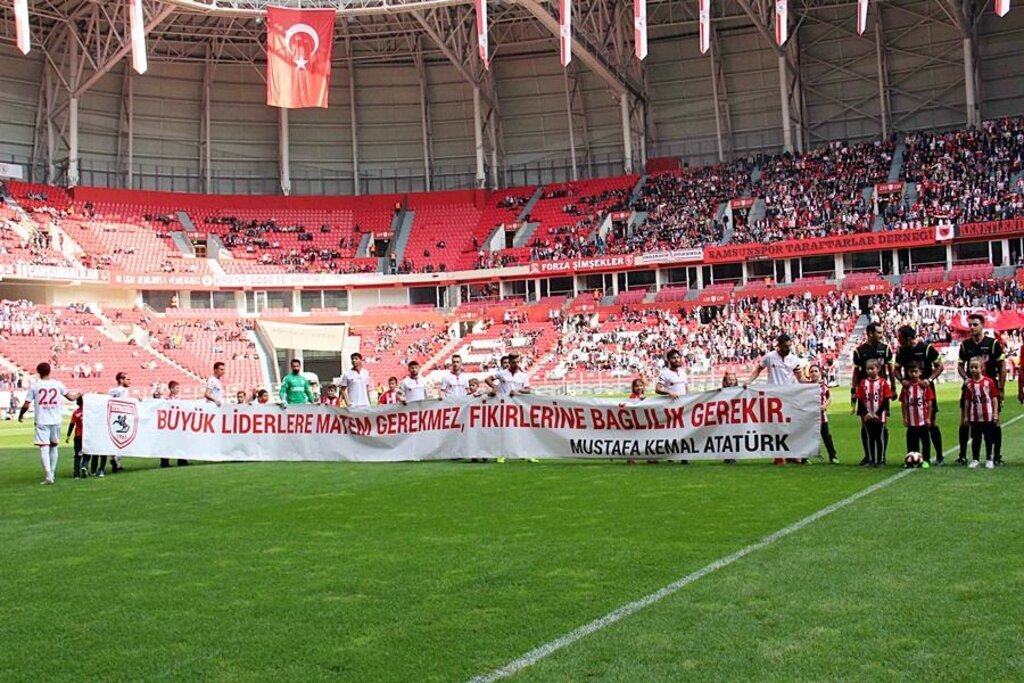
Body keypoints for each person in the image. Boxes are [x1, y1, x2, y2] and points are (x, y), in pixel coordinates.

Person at [745, 334, 810, 464]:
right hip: (773, 397)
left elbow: (800, 378)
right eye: (785, 346)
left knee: (789, 425)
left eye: (789, 346)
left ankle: (790, 453)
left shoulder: (794, 360)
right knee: (776, 426)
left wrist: (811, 383)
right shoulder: (770, 357)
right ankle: (779, 455)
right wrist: (749, 381)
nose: (788, 348)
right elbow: (758, 370)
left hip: (789, 396)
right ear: (779, 345)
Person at [18, 362, 81, 485]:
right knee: (54, 446)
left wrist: (21, 415)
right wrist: (80, 393)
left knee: (44, 447)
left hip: (41, 420)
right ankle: (52, 472)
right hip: (56, 420)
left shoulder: (35, 386)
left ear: (38, 372)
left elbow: (26, 404)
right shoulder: (58, 384)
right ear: (50, 371)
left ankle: (48, 474)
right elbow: (71, 398)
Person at [957, 313, 1005, 466]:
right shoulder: (965, 345)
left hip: (990, 389)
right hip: (971, 389)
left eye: (975, 324)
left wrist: (1001, 388)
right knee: (964, 422)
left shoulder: (993, 344)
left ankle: (996, 456)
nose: (972, 327)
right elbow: (960, 365)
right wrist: (966, 379)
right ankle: (963, 455)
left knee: (995, 422)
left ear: (982, 325)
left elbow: (1002, 366)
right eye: (970, 325)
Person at [894, 325, 944, 464]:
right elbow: (896, 369)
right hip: (910, 391)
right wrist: (902, 380)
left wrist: (929, 380)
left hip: (925, 389)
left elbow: (940, 366)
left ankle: (939, 456)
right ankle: (913, 456)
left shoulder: (926, 348)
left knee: (931, 422)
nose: (898, 340)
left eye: (900, 338)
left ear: (908, 338)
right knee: (912, 426)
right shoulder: (901, 351)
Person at [485, 353, 535, 463]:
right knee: (504, 430)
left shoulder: (523, 375)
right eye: (513, 362)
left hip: (518, 406)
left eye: (517, 362)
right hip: (504, 406)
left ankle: (526, 453)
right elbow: (488, 379)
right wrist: (495, 387)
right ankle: (501, 454)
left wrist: (518, 391)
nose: (516, 364)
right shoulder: (502, 373)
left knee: (522, 430)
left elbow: (528, 390)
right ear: (510, 362)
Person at [962, 358, 999, 469]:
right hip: (975, 417)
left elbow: (994, 398)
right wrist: (966, 416)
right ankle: (975, 459)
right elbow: (967, 401)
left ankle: (989, 459)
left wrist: (995, 413)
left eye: (976, 367)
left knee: (988, 439)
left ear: (982, 368)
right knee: (975, 439)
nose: (973, 369)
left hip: (987, 416)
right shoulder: (969, 384)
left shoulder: (989, 382)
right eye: (971, 367)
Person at [851, 323, 896, 412]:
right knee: (865, 419)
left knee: (882, 418)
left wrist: (893, 388)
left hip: (881, 390)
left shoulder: (886, 349)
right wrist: (853, 391)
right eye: (879, 333)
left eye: (882, 332)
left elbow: (891, 370)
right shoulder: (859, 351)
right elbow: (856, 372)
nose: (881, 335)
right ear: (870, 333)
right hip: (864, 391)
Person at [856, 359, 893, 468]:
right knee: (869, 438)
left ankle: (881, 459)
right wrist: (866, 413)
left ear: (878, 369)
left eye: (872, 368)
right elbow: (860, 399)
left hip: (879, 416)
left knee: (879, 437)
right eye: (868, 369)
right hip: (867, 415)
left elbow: (886, 400)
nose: (869, 371)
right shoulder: (863, 383)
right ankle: (870, 459)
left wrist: (878, 413)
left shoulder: (883, 383)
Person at [900, 361, 935, 465]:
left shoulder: (924, 386)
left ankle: (926, 460)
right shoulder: (906, 387)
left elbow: (929, 402)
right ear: (908, 372)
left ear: (920, 372)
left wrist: (928, 417)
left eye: (916, 371)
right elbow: (904, 404)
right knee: (911, 441)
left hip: (923, 420)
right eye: (911, 372)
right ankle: (911, 460)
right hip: (911, 421)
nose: (913, 374)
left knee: (925, 441)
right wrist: (905, 417)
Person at [809, 365, 838, 464]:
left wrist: (825, 405)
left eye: (816, 371)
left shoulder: (823, 386)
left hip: (822, 417)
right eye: (811, 371)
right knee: (808, 437)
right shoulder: (806, 387)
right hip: (810, 416)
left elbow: (829, 397)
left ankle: (832, 456)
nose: (813, 373)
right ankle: (805, 458)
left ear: (820, 373)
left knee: (826, 436)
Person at [160, 381, 190, 469]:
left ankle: (182, 460)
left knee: (180, 441)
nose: (178, 390)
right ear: (171, 389)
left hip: (177, 423)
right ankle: (165, 462)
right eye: (177, 388)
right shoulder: (167, 399)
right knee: (167, 442)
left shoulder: (177, 398)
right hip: (169, 424)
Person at [66, 396, 89, 479]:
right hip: (87, 436)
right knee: (87, 453)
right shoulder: (89, 412)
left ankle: (76, 474)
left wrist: (68, 435)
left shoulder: (76, 413)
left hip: (78, 436)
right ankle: (84, 466)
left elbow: (72, 424)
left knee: (77, 455)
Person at [721, 371, 739, 464]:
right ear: (725, 381)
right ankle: (726, 456)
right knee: (725, 437)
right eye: (730, 380)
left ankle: (732, 456)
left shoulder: (740, 391)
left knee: (734, 437)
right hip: (724, 419)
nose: (732, 382)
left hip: (735, 418)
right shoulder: (721, 392)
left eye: (733, 380)